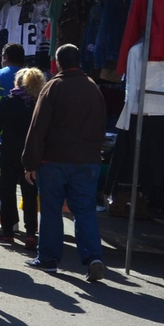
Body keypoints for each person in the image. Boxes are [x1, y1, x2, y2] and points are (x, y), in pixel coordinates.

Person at [21, 43, 107, 280]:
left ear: (58, 62)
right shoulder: (93, 89)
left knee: (51, 210)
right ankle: (93, 257)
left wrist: (30, 163)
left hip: (54, 160)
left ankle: (48, 258)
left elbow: (37, 128)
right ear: (79, 61)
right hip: (87, 160)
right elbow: (102, 126)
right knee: (84, 211)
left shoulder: (53, 87)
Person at [0, 66, 44, 249]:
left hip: (8, 152)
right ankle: (31, 232)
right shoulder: (39, 104)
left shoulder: (8, 101)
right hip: (32, 155)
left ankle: (8, 230)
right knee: (30, 193)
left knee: (7, 191)